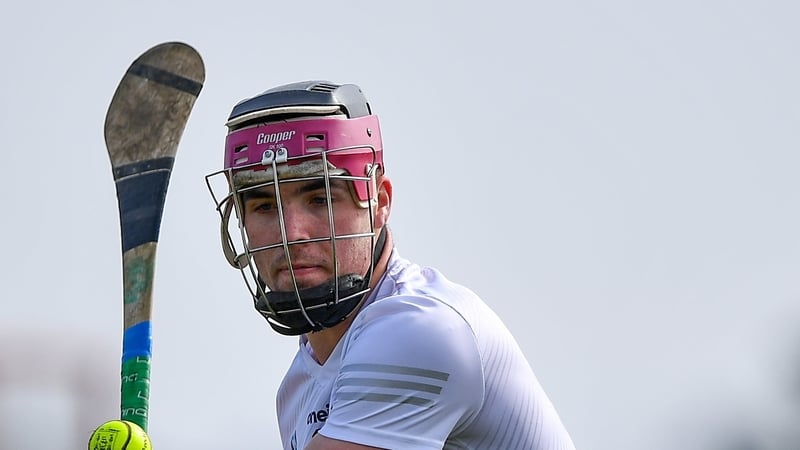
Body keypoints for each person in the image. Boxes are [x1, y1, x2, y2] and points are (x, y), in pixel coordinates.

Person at [206, 80, 576, 450]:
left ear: (379, 203)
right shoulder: (297, 385)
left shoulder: (418, 327)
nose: (292, 234)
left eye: (320, 199)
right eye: (265, 206)